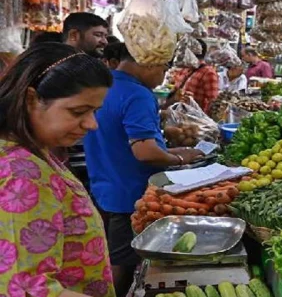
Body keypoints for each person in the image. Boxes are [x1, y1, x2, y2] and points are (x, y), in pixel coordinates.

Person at [83, 43, 203, 297]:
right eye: (163, 68)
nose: (163, 76)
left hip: (104, 185)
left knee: (113, 254)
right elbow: (145, 152)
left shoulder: (103, 84)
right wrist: (180, 160)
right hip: (129, 194)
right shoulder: (138, 94)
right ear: (149, 63)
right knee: (122, 262)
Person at [0, 43, 115, 297]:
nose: (91, 124)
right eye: (78, 112)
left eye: (94, 111)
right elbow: (27, 289)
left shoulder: (34, 154)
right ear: (31, 100)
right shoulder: (22, 175)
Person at [169, 38, 220, 112]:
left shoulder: (208, 73)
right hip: (178, 115)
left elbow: (213, 102)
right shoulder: (185, 69)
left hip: (195, 118)